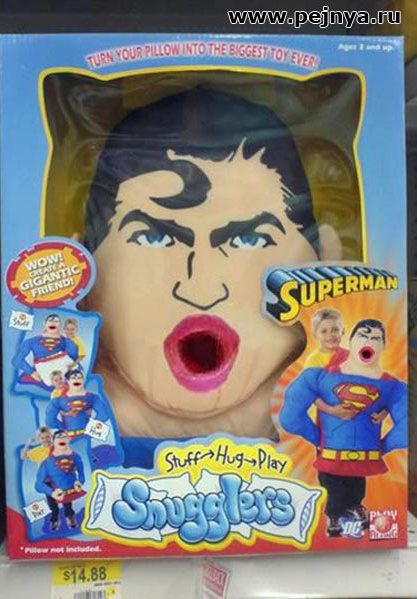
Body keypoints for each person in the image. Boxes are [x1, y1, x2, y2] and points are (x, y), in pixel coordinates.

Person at [83, 87, 343, 467]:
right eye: (153, 237)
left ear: (324, 261)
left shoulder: (339, 405)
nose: (200, 290)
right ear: (82, 269)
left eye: (249, 239)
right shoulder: (69, 416)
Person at [280, 318, 407, 537]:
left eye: (375, 338)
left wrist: (381, 441)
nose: (369, 341)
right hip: (335, 457)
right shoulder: (319, 373)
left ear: (383, 345)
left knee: (356, 486)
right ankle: (335, 515)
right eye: (363, 335)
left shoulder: (393, 387)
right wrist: (321, 434)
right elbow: (291, 416)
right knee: (335, 488)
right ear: (352, 340)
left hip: (349, 457)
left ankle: (353, 507)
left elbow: (291, 417)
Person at [35, 430, 85, 532]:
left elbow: (82, 473)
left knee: (68, 505)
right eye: (58, 437)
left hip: (67, 487)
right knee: (53, 506)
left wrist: (79, 482)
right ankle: (54, 519)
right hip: (51, 486)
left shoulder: (76, 457)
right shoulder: (47, 462)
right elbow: (38, 485)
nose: (62, 438)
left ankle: (70, 517)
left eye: (64, 436)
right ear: (53, 441)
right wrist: (51, 492)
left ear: (69, 439)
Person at [12, 314, 78, 387]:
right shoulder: (31, 341)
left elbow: (73, 359)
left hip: (63, 374)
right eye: (50, 320)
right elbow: (17, 360)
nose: (53, 323)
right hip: (44, 373)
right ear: (44, 323)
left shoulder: (67, 342)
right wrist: (32, 372)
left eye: (56, 321)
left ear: (60, 325)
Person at [45, 369, 109, 437]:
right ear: (52, 383)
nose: (59, 381)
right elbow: (55, 412)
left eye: (60, 379)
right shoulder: (55, 395)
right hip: (68, 418)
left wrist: (89, 408)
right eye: (56, 380)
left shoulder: (71, 387)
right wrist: (67, 414)